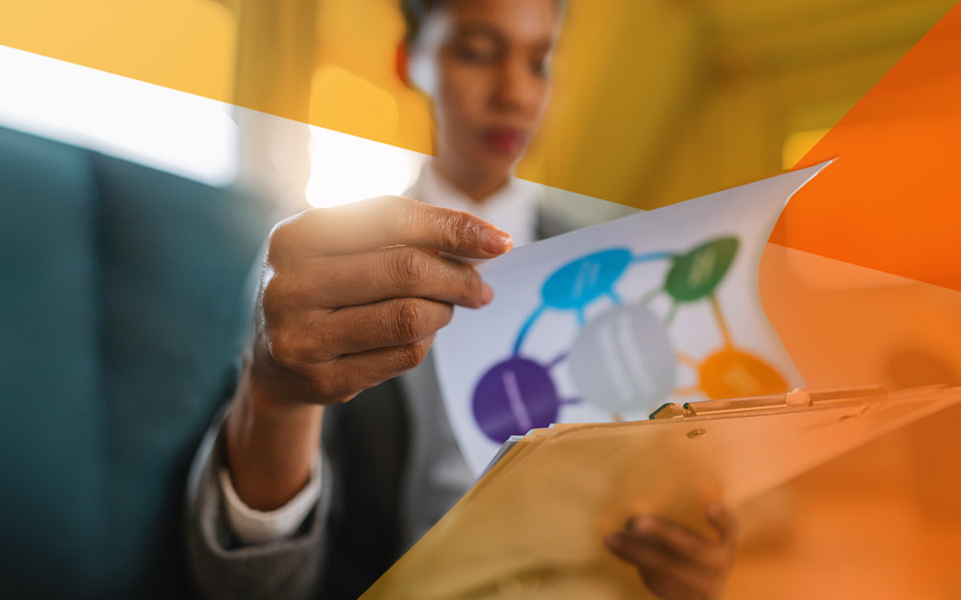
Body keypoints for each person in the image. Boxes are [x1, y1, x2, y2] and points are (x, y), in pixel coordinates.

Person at [184, 1, 738, 599]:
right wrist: (276, 399)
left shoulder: (622, 268)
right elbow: (248, 582)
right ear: (410, 61)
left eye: (540, 62)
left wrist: (692, 568)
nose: (515, 93)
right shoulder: (315, 276)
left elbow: (661, 500)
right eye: (477, 51)